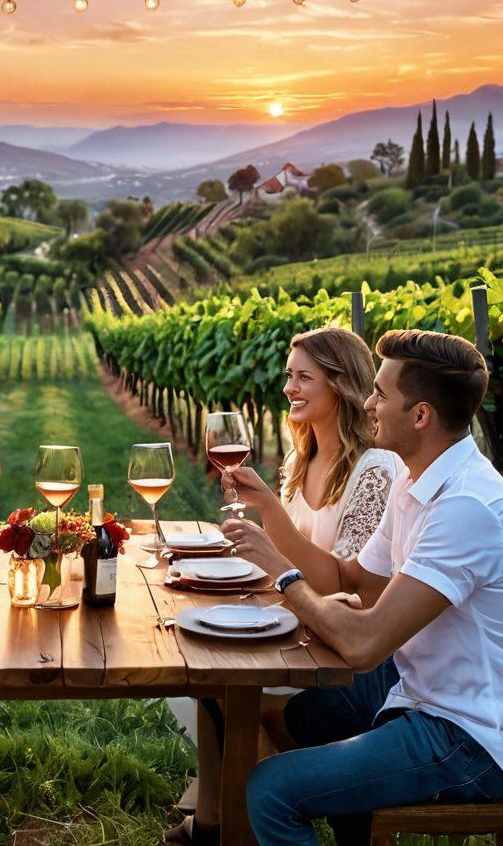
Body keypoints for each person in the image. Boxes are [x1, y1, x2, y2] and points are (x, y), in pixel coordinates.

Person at [225, 330, 503, 846]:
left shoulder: (466, 506)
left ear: (420, 416)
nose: (369, 403)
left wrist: (283, 574)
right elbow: (356, 582)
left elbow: (363, 644)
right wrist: (280, 537)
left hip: (474, 739)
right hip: (425, 700)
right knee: (313, 714)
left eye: (380, 393)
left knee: (271, 789)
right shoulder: (414, 481)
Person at [166, 328, 399, 844]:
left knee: (225, 689)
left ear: (339, 385)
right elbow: (290, 568)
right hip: (310, 627)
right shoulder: (303, 458)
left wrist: (269, 512)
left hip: (356, 656)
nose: (289, 387)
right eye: (288, 376)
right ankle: (217, 822)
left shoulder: (375, 469)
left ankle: (230, 824)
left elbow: (347, 583)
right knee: (212, 675)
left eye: (303, 377)